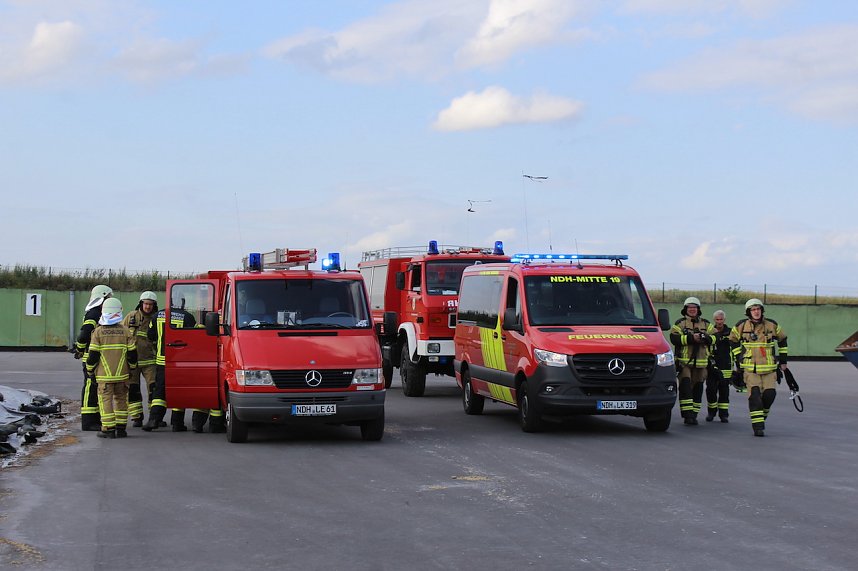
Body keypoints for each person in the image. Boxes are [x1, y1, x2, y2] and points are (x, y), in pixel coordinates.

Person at [729, 298, 788, 437]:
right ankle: (758, 426)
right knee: (754, 396)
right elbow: (732, 341)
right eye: (753, 309)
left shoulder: (772, 325)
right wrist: (739, 359)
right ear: (748, 312)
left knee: (770, 395)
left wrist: (783, 361)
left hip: (769, 368)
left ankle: (762, 416)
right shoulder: (741, 326)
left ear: (762, 310)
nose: (756, 312)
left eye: (758, 309)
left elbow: (783, 339)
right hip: (750, 369)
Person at [85, 298, 137, 439]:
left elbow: (93, 356)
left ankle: (108, 429)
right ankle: (121, 429)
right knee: (121, 400)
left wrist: (90, 370)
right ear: (119, 311)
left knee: (105, 401)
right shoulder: (126, 331)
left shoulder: (98, 332)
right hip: (123, 375)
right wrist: (132, 369)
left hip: (104, 376)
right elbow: (132, 355)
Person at [143, 295, 196, 432]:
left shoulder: (158, 315)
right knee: (180, 390)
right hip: (180, 361)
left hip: (162, 360)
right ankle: (177, 423)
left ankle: (154, 420)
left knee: (159, 391)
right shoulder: (188, 317)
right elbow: (194, 338)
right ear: (182, 304)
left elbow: (151, 336)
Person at [73, 284, 113, 431]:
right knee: (90, 388)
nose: (109, 300)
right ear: (102, 297)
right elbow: (84, 333)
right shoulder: (94, 314)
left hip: (96, 357)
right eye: (108, 298)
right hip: (92, 357)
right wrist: (80, 348)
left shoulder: (97, 312)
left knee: (95, 388)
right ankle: (88, 422)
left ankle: (95, 419)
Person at [670, 297, 714, 425]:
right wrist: (691, 338)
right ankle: (687, 415)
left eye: (694, 307)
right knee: (685, 387)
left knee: (698, 389)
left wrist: (705, 337)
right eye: (690, 308)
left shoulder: (706, 324)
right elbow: (674, 338)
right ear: (685, 309)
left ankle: (694, 414)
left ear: (698, 309)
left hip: (701, 363)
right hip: (684, 363)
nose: (692, 310)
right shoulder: (680, 323)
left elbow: (715, 337)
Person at [122, 291, 159, 427]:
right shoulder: (131, 317)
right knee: (133, 389)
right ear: (141, 303)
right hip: (132, 361)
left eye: (150, 304)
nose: (147, 307)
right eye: (145, 304)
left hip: (150, 361)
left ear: (154, 305)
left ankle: (154, 417)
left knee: (153, 389)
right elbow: (122, 335)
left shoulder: (156, 318)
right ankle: (137, 417)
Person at [706, 310, 732, 422]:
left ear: (724, 320)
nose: (719, 322)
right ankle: (711, 412)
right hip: (712, 365)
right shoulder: (710, 331)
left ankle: (724, 414)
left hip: (725, 365)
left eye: (721, 319)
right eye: (717, 319)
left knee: (724, 391)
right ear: (714, 320)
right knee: (711, 390)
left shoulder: (730, 332)